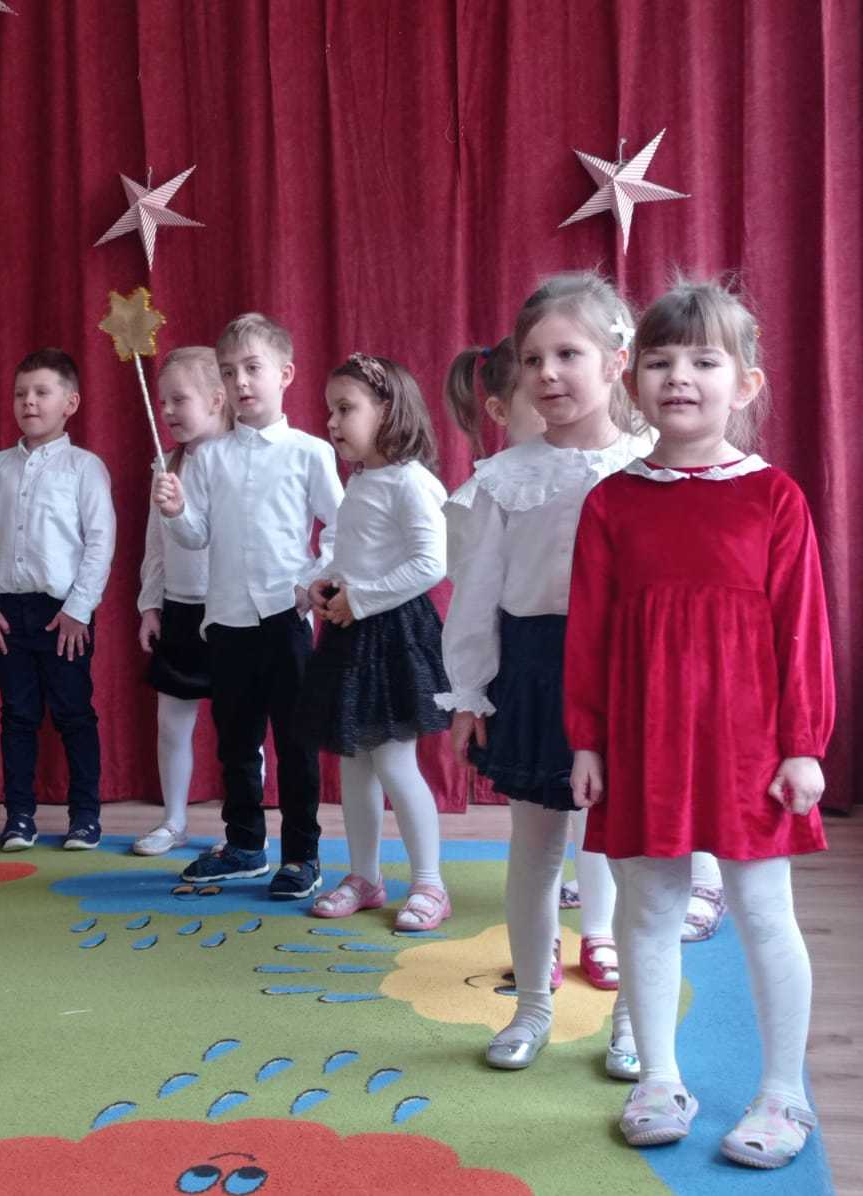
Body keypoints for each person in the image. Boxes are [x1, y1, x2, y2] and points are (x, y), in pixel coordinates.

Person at [566, 279, 832, 1168]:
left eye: (704, 361)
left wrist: (804, 746)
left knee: (762, 910)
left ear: (745, 384)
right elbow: (589, 631)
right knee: (649, 911)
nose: (680, 376)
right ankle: (659, 1078)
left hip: (751, 748)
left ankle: (783, 1092)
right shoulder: (611, 502)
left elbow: (803, 629)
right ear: (632, 380)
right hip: (644, 742)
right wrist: (588, 739)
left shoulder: (775, 498)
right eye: (661, 361)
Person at [439, 272, 649, 1075]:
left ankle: (635, 1019)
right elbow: (476, 595)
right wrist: (468, 692)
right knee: (534, 849)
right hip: (535, 670)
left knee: (633, 857)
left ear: (616, 361)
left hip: (629, 673)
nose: (548, 374)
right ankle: (531, 1006)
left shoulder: (650, 467)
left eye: (568, 354)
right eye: (533, 360)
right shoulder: (503, 479)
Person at [153, 313, 342, 900]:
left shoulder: (310, 452)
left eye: (253, 368)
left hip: (285, 620)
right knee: (236, 743)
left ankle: (302, 855)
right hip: (227, 621)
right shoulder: (210, 458)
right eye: (230, 371)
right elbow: (197, 536)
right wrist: (176, 511)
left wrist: (309, 583)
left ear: (285, 374)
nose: (240, 382)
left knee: (296, 744)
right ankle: (244, 846)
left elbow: (341, 528)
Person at [296, 354, 451, 930]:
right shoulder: (362, 480)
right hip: (351, 633)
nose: (332, 422)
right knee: (354, 763)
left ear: (387, 410)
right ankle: (365, 875)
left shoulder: (412, 482)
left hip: (392, 638)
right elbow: (354, 549)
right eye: (330, 411)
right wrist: (325, 579)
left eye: (346, 409)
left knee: (393, 761)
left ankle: (430, 882)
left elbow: (432, 562)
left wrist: (360, 598)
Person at [0, 348, 114, 852]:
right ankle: (19, 816)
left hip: (63, 615)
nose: (28, 402)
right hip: (8, 613)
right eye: (20, 393)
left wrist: (78, 609)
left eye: (41, 392)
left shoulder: (84, 467)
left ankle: (85, 817)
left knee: (74, 713)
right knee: (17, 715)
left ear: (70, 403)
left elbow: (100, 542)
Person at [132, 347, 232, 856]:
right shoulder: (165, 464)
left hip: (233, 613)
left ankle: (242, 828)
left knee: (239, 729)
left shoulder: (238, 462)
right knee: (172, 724)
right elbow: (156, 544)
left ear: (216, 399)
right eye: (164, 401)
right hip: (180, 608)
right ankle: (173, 820)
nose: (168, 410)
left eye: (180, 399)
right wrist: (151, 605)